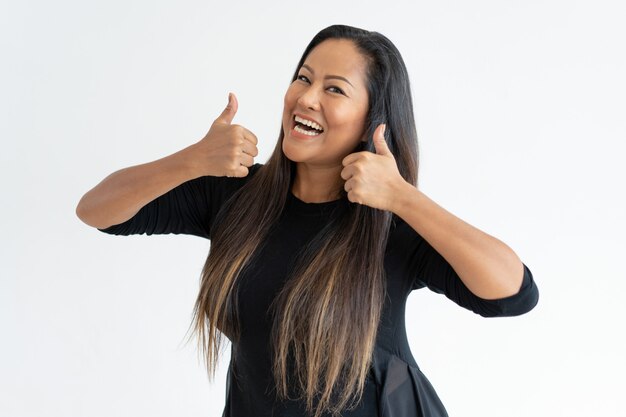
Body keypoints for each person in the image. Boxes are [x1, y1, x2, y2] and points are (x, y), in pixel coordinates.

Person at [76, 24, 539, 417]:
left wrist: (403, 198)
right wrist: (192, 160)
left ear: (369, 120)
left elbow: (514, 294)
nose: (307, 98)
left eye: (335, 88)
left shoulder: (387, 223)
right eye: (303, 78)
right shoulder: (236, 195)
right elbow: (97, 211)